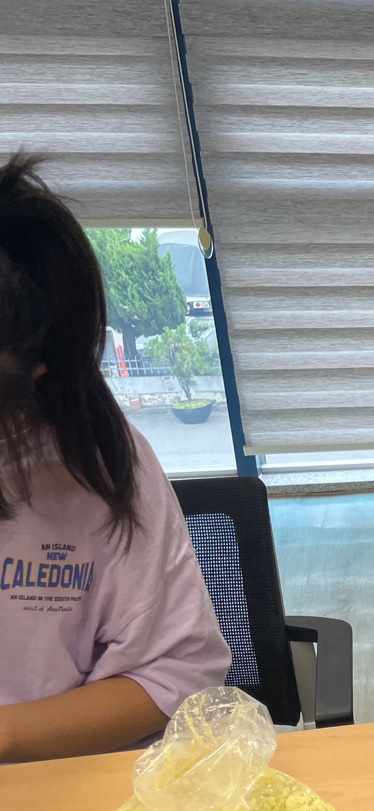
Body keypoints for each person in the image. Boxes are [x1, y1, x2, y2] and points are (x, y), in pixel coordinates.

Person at [0, 152, 230, 762]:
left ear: (38, 369)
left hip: (61, 784)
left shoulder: (97, 464)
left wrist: (7, 735)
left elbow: (177, 673)